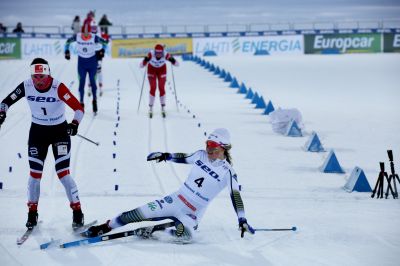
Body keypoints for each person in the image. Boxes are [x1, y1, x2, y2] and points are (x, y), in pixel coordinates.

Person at [85, 128, 255, 241]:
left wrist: (242, 219)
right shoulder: (200, 155)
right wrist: (166, 155)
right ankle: (104, 227)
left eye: (213, 146)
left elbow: (236, 196)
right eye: (207, 144)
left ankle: (156, 232)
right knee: (133, 215)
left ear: (224, 147)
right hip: (176, 200)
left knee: (187, 236)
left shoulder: (228, 172)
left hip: (193, 212)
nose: (209, 149)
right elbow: (183, 156)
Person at [0, 58, 85, 229]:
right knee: (34, 176)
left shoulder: (58, 87)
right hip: (37, 134)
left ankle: (77, 212)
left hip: (59, 133)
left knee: (63, 174)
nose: (38, 81)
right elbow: (6, 102)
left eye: (42, 77)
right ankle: (32, 213)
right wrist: (2, 113)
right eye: (35, 77)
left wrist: (74, 124)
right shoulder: (26, 85)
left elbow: (79, 108)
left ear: (48, 74)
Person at [64, 24, 108, 113]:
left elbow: (105, 42)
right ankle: (81, 102)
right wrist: (67, 51)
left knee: (93, 82)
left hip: (92, 62)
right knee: (82, 82)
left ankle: (94, 100)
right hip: (81, 63)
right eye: (85, 33)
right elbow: (67, 42)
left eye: (88, 33)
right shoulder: (77, 36)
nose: (87, 35)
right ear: (82, 31)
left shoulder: (94, 37)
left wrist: (103, 50)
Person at [140, 44, 179, 118]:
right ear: (154, 52)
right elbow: (141, 66)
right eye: (157, 53)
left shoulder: (165, 54)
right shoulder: (151, 54)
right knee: (153, 87)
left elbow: (177, 64)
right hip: (151, 70)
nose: (158, 55)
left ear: (162, 52)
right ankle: (151, 108)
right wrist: (145, 61)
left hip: (162, 70)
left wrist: (172, 60)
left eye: (160, 53)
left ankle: (163, 107)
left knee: (161, 87)